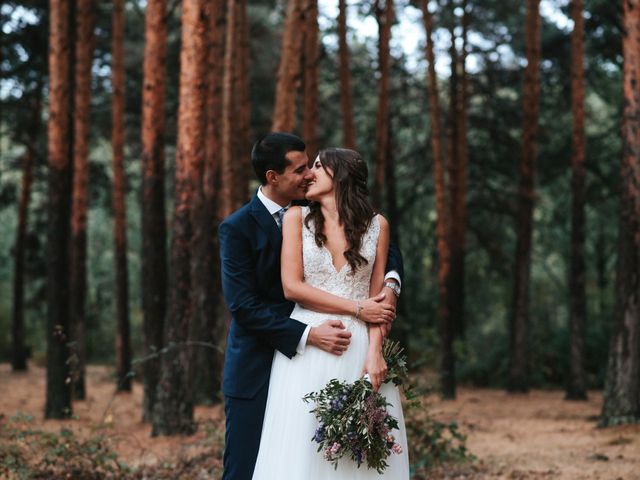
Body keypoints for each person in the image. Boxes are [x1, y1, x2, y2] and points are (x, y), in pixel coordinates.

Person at [218, 133, 403, 480]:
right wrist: (309, 334)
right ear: (273, 177)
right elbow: (244, 306)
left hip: (351, 347)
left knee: (346, 460)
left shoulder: (364, 222)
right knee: (251, 468)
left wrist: (391, 286)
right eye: (302, 169)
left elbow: (387, 257)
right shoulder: (239, 227)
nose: (308, 174)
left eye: (313, 166)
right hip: (264, 363)